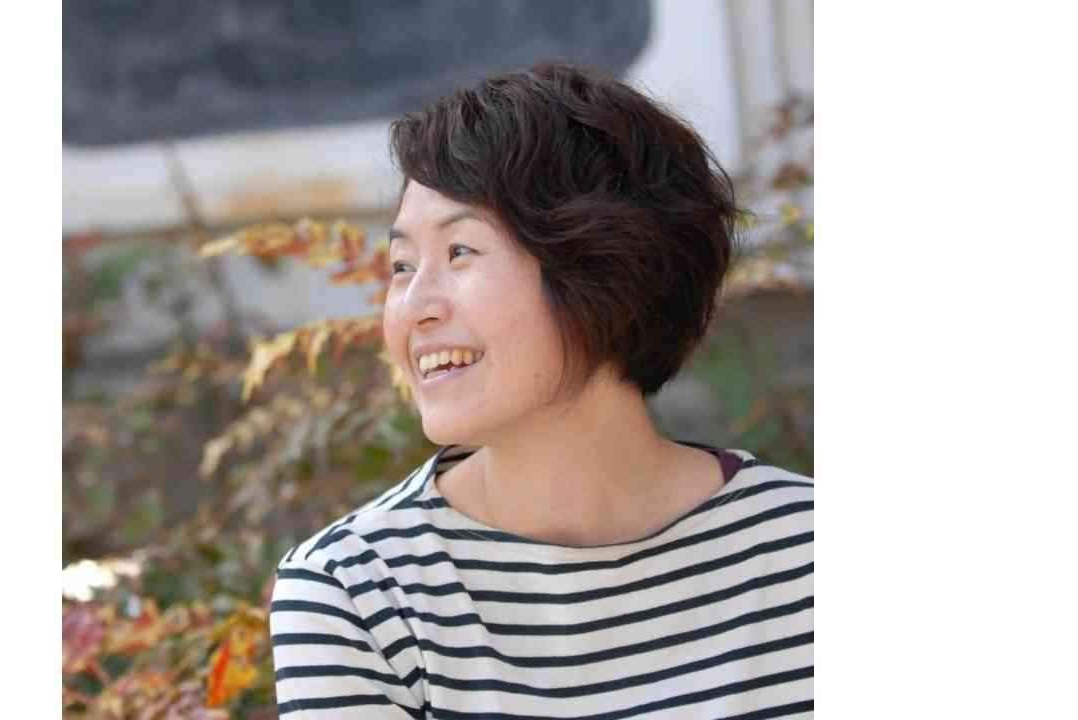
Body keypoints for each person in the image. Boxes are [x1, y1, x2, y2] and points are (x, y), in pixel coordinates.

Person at [267, 62, 813, 719]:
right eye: (402, 266)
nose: (414, 307)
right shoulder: (355, 594)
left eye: (460, 252)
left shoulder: (808, 549)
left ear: (606, 267)